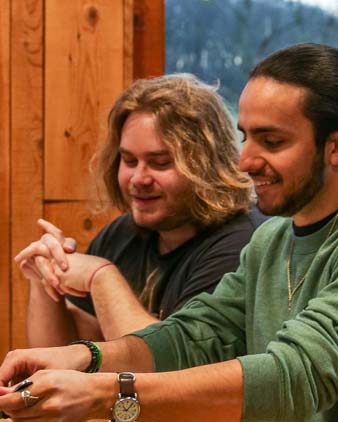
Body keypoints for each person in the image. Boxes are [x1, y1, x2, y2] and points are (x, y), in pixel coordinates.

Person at [0, 44, 338, 422]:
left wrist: (108, 393)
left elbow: (295, 377)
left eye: (271, 141)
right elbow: (192, 336)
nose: (245, 160)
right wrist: (84, 358)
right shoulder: (272, 239)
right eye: (246, 136)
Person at [17, 73, 260, 346]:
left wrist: (101, 277)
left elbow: (173, 367)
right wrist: (45, 280)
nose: (139, 179)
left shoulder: (240, 245)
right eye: (129, 160)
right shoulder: (121, 234)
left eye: (160, 162)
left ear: (205, 166)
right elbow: (61, 356)